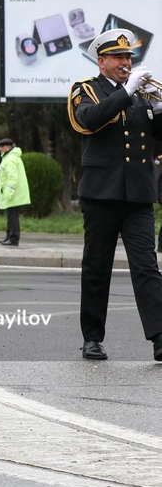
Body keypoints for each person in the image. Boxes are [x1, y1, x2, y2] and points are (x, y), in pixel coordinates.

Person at [67, 28, 162, 361]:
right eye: (119, 58)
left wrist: (159, 108)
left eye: (129, 58)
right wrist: (127, 90)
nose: (125, 63)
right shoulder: (86, 90)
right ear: (101, 61)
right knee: (97, 267)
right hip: (101, 193)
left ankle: (160, 337)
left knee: (147, 267)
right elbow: (88, 122)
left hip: (137, 194)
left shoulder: (140, 95)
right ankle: (92, 338)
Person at [0, 138, 30, 246]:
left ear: (8, 147)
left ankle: (13, 238)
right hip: (13, 194)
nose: (0, 149)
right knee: (11, 216)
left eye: (2, 147)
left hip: (12, 194)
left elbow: (12, 178)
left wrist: (7, 193)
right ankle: (9, 237)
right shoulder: (10, 157)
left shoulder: (10, 159)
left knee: (13, 217)